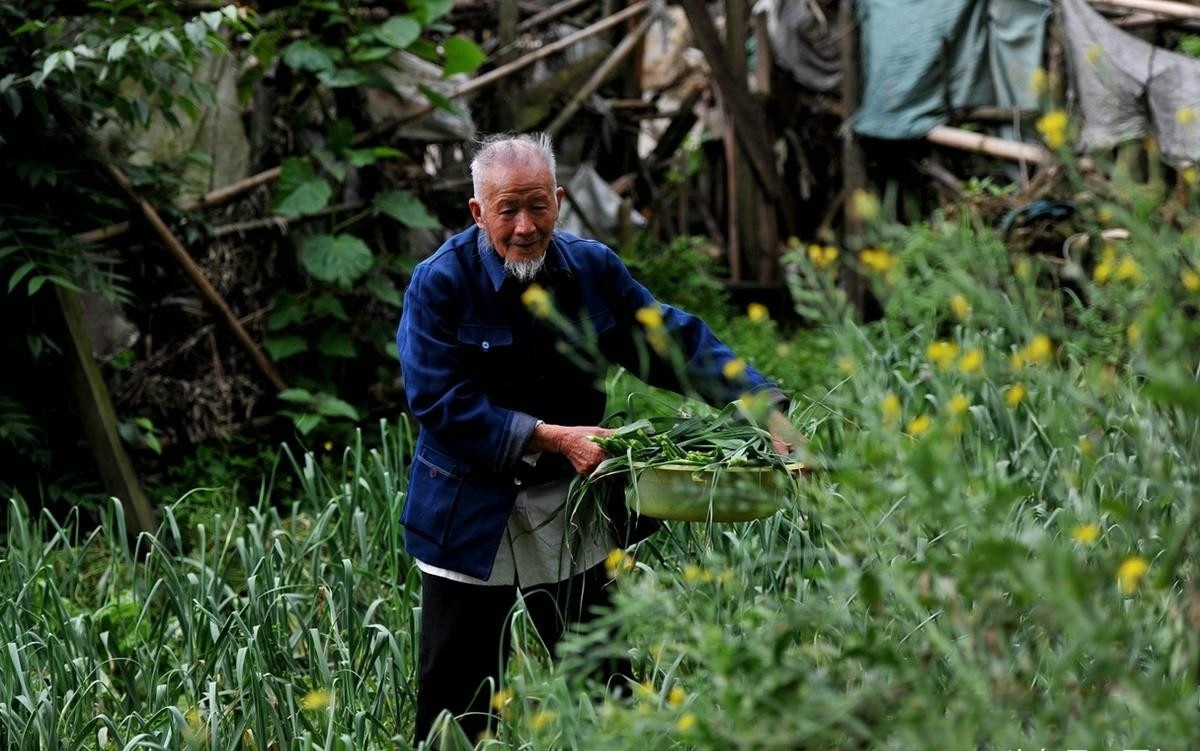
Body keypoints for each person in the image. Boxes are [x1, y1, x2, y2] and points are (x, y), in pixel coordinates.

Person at [396, 131, 803, 747]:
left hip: (570, 503)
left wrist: (763, 407)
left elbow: (669, 340)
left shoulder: (591, 269)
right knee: (458, 706)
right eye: (508, 210)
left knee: (603, 683)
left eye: (539, 206)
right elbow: (438, 401)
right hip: (469, 511)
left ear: (559, 199)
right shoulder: (441, 283)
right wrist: (550, 436)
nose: (526, 226)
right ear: (479, 212)